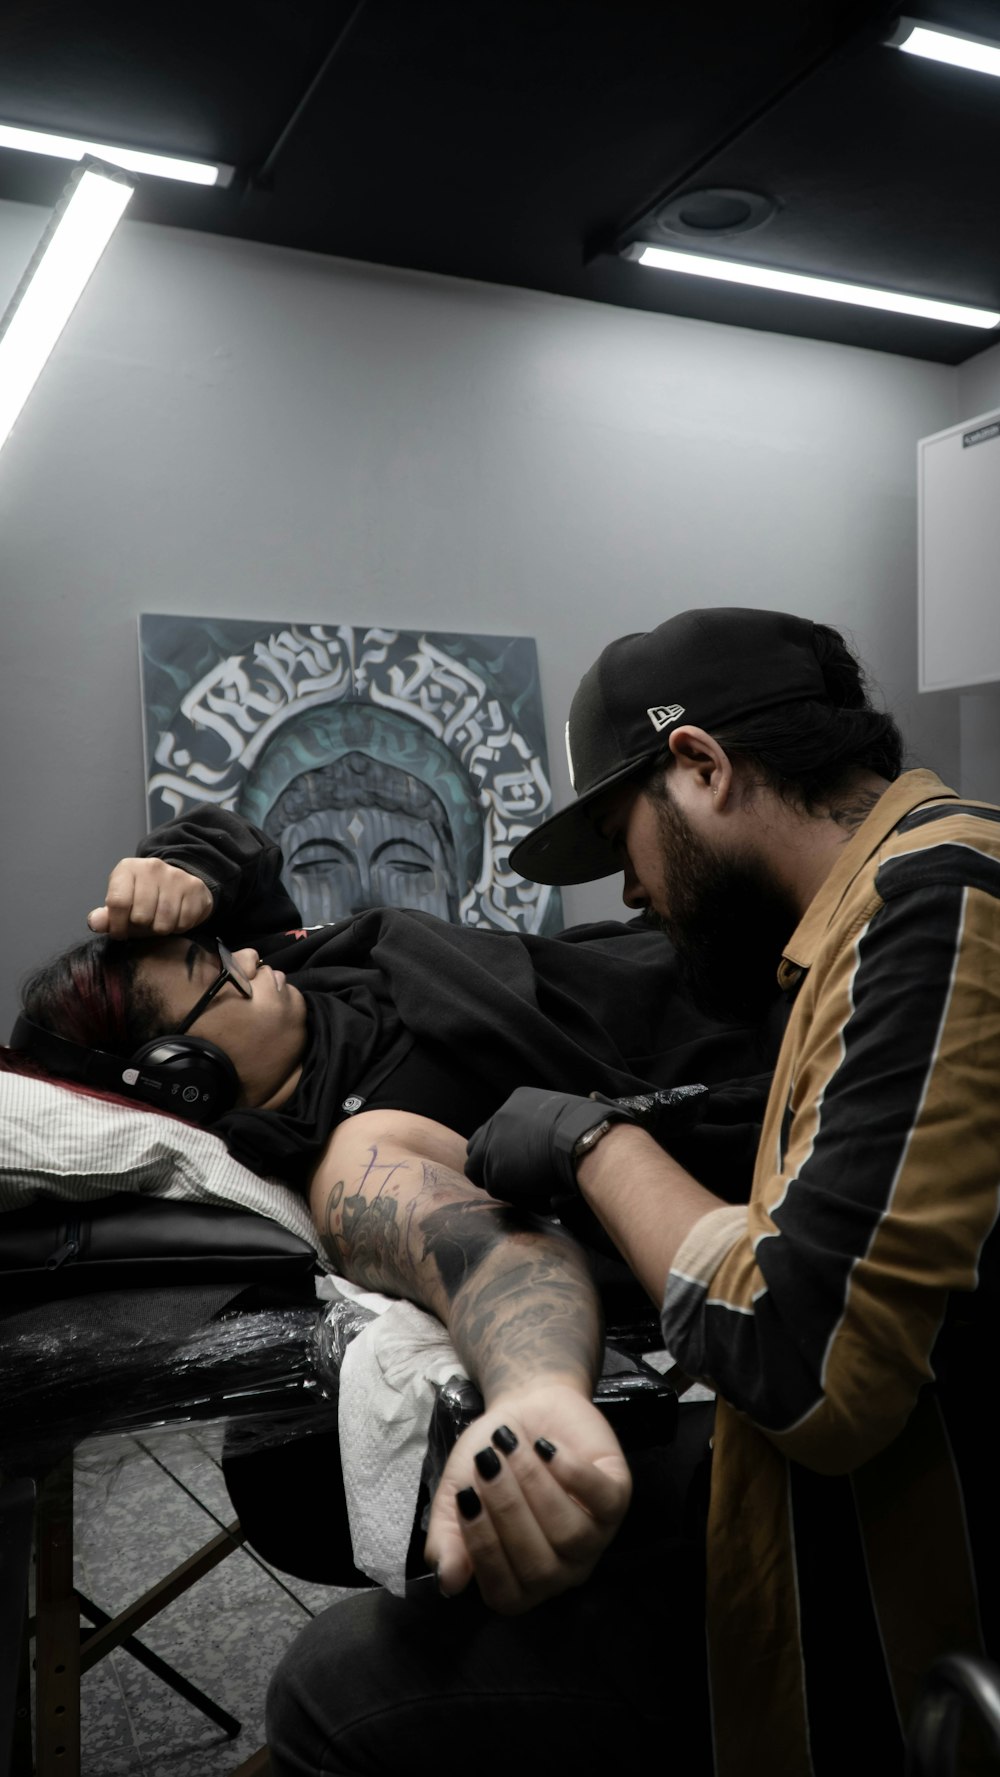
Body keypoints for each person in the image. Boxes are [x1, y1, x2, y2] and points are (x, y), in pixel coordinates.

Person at [266, 606, 1000, 1777]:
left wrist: (592, 1142)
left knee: (342, 1689)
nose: (635, 895)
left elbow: (808, 1362)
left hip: (895, 1595)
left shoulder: (939, 901)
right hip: (847, 1499)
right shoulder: (860, 923)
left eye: (625, 842)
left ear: (700, 766)